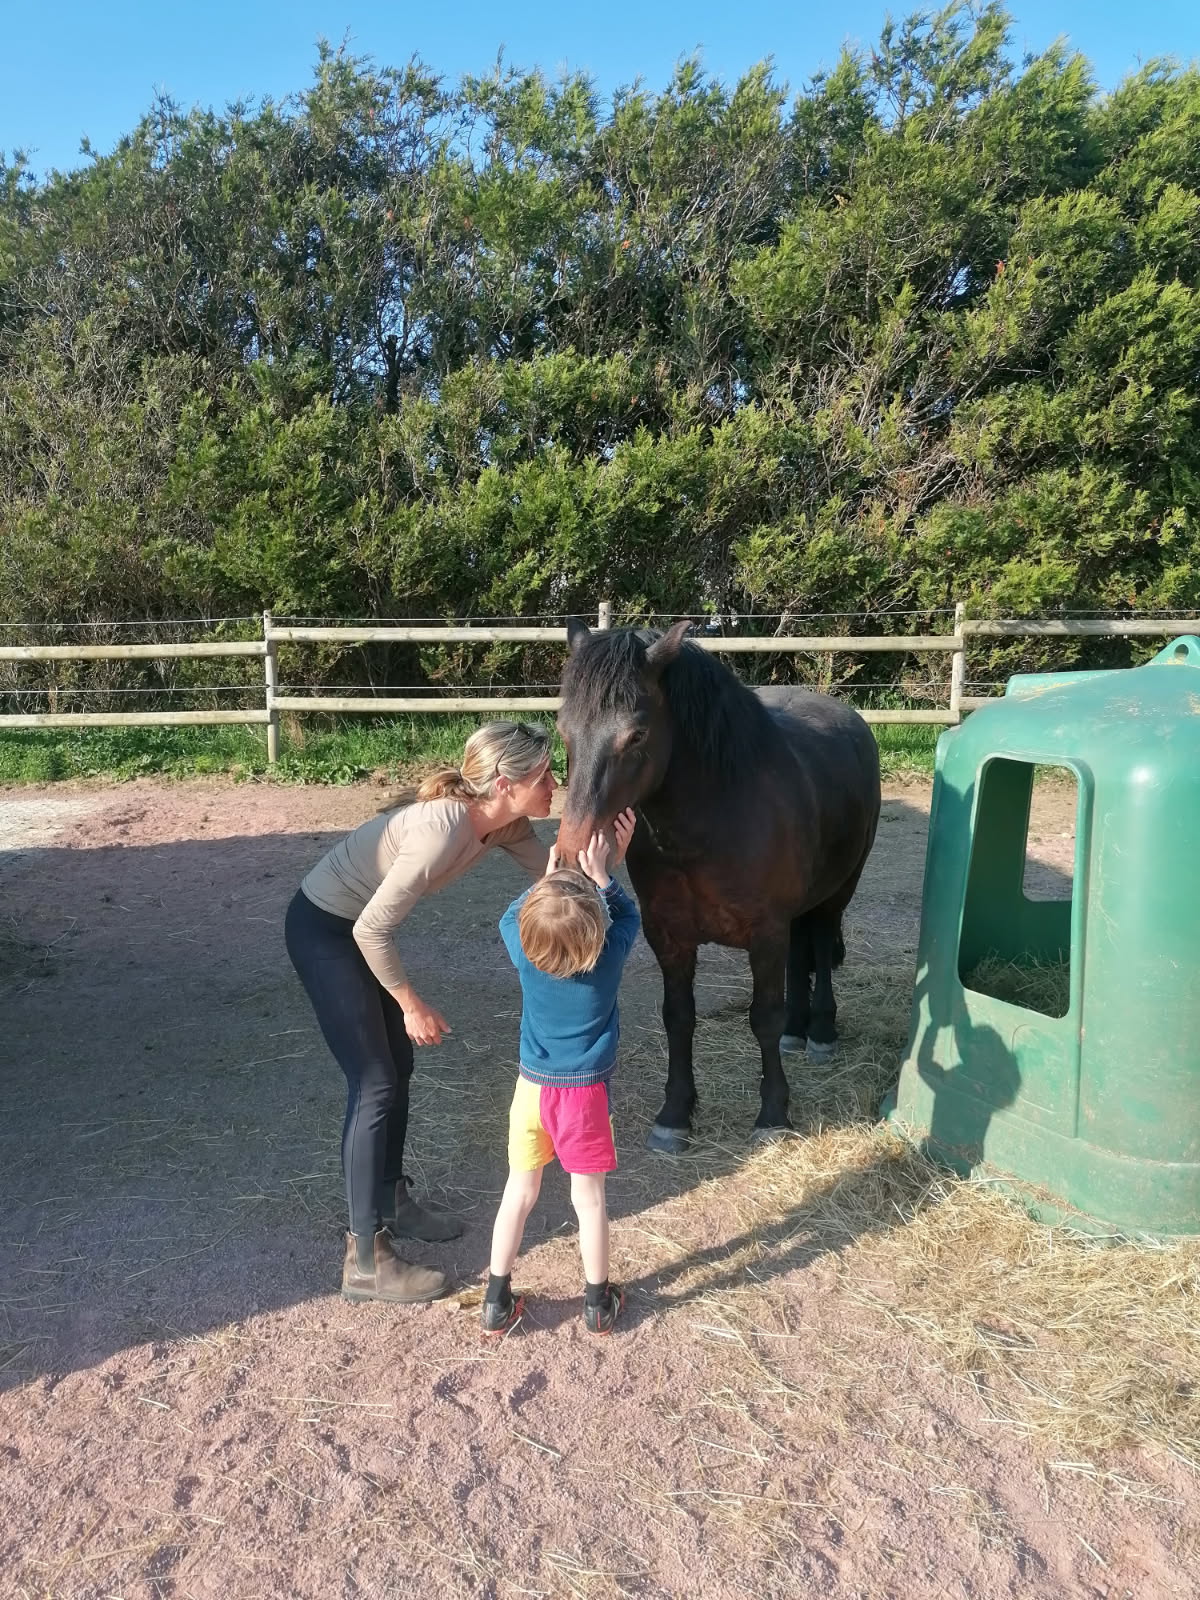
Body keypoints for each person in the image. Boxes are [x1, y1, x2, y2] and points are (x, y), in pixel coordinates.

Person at [285, 721, 557, 1305]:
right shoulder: (444, 827)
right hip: (325, 930)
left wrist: (606, 857)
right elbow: (371, 928)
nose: (555, 782)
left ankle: (391, 1200)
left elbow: (553, 873)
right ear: (509, 781)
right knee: (375, 1080)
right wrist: (410, 1002)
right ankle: (364, 1259)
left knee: (396, 1068)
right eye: (546, 773)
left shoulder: (503, 822)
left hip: (355, 933)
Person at [482, 810, 640, 1339]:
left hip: (531, 1092)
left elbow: (511, 920)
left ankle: (496, 1299)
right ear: (596, 930)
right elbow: (631, 918)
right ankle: (598, 1302)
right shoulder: (608, 960)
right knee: (588, 1200)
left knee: (518, 1193)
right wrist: (604, 878)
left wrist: (546, 878)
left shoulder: (527, 955)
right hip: (585, 1099)